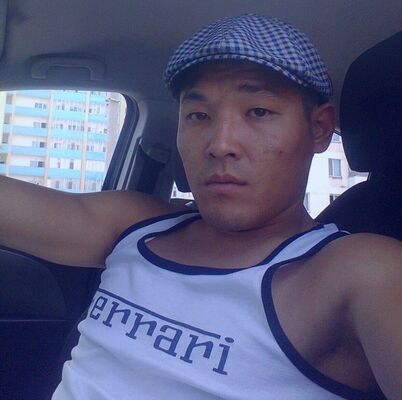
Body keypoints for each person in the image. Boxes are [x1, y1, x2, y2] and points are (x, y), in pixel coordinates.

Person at [0, 14, 401, 400]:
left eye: (258, 112)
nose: (220, 144)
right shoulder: (134, 224)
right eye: (198, 115)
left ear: (319, 128)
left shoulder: (356, 271)